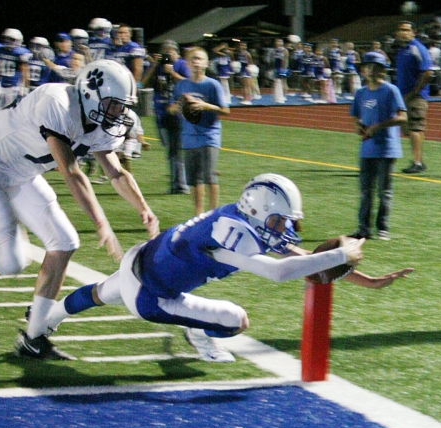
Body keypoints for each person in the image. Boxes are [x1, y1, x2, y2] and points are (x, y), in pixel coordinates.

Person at [0, 59, 159, 359]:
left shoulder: (98, 120)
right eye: (114, 105)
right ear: (91, 93)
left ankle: (33, 338)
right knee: (10, 263)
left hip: (23, 175)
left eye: (122, 106)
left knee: (65, 242)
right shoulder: (57, 102)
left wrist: (144, 208)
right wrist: (101, 222)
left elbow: (116, 173)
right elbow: (70, 171)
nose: (119, 113)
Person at [41, 173, 413, 362]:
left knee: (98, 294)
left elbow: (297, 260)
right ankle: (199, 333)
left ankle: (44, 322)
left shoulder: (244, 221)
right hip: (150, 294)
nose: (284, 229)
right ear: (260, 212)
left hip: (140, 260)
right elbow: (278, 272)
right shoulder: (230, 232)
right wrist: (340, 256)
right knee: (237, 321)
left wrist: (362, 278)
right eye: (280, 221)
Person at [349, 52, 407, 241]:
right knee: (366, 191)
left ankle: (382, 228)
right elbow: (355, 116)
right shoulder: (361, 93)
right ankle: (363, 228)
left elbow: (402, 117)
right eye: (368, 66)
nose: (371, 70)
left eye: (376, 66)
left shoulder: (390, 90)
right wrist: (359, 125)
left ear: (382, 70)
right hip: (367, 148)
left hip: (386, 148)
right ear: (363, 70)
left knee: (384, 191)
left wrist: (379, 126)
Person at [169, 47, 229, 216]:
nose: (196, 62)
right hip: (188, 137)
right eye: (192, 59)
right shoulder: (181, 85)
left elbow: (225, 110)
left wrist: (205, 106)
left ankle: (214, 213)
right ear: (187, 63)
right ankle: (198, 215)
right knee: (194, 180)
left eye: (199, 59)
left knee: (209, 177)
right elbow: (173, 109)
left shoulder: (213, 84)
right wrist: (178, 105)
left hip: (209, 136)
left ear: (206, 63)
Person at [141, 39, 190, 194]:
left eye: (171, 52)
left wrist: (172, 72)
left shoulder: (181, 65)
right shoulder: (158, 67)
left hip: (177, 113)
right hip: (161, 113)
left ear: (177, 52)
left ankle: (181, 185)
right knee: (169, 149)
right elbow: (143, 84)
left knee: (175, 150)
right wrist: (155, 64)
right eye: (165, 52)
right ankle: (177, 183)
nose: (168, 55)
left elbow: (189, 83)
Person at [395, 21, 434, 174]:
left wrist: (415, 92)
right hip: (404, 94)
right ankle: (418, 160)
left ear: (413, 32)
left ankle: (417, 162)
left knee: (415, 128)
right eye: (401, 30)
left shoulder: (416, 48)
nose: (403, 33)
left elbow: (428, 72)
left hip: (415, 96)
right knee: (410, 129)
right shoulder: (402, 50)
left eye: (406, 30)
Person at [0, 28, 31, 110]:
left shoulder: (21, 53)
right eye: (6, 38)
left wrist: (24, 88)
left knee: (8, 110)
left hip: (13, 85)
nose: (8, 41)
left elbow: (24, 72)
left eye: (11, 39)